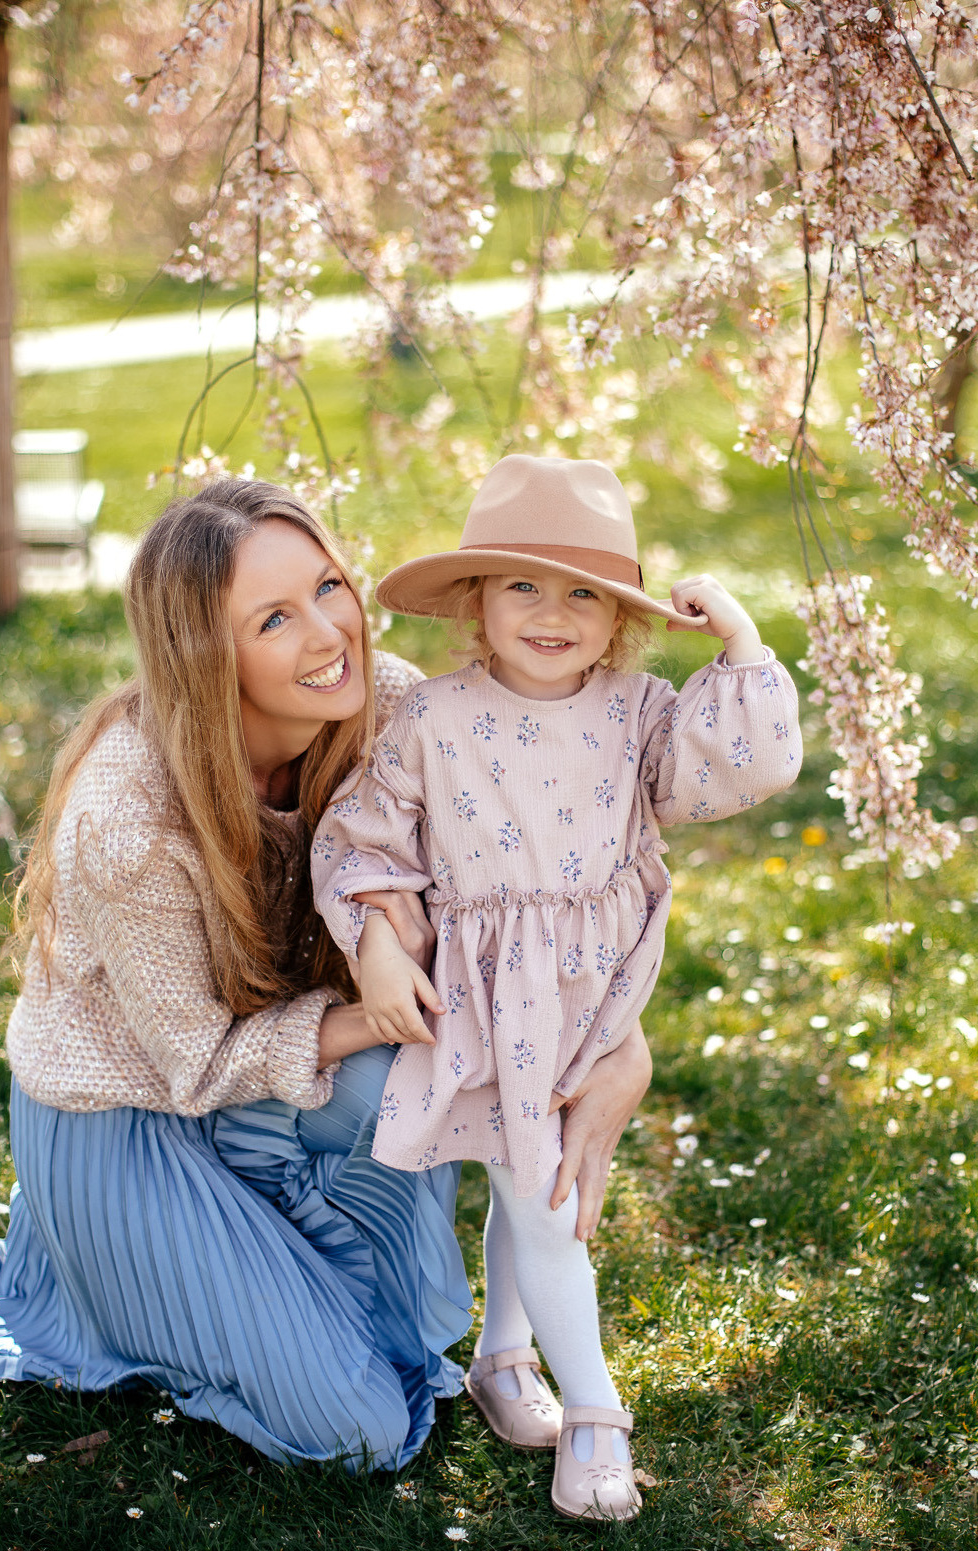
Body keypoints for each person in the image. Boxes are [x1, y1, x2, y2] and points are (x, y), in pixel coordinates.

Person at [0, 477, 654, 1473]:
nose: (329, 635)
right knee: (358, 1430)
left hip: (279, 1070)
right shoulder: (125, 815)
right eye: (274, 619)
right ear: (204, 653)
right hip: (125, 1117)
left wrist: (622, 1047)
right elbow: (195, 1065)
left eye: (327, 587)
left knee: (423, 1114)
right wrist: (373, 1015)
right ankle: (93, 1269)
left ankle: (250, 1259)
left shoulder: (395, 709)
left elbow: (543, 890)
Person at [311, 454, 803, 1516]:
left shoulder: (640, 711)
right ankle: (593, 1410)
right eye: (522, 586)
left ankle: (502, 1357)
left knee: (525, 1178)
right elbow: (361, 839)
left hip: (597, 991)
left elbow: (746, 767)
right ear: (475, 601)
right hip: (489, 997)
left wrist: (741, 642)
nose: (551, 613)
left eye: (584, 592)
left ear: (619, 618)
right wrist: (379, 943)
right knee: (544, 1195)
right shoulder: (433, 718)